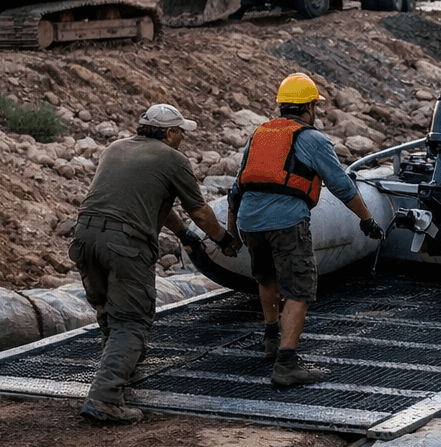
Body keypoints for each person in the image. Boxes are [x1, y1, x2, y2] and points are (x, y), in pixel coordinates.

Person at [70, 103, 240, 424]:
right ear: (170, 133)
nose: (183, 139)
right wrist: (224, 239)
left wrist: (184, 234)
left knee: (107, 308)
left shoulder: (116, 148)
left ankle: (123, 363)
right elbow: (200, 210)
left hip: (85, 237)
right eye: (181, 132)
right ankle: (105, 398)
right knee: (132, 320)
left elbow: (154, 201)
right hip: (125, 244)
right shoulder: (173, 159)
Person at [227, 73, 384, 387]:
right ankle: (286, 364)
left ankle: (271, 338)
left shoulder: (260, 133)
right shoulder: (312, 139)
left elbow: (236, 188)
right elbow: (342, 186)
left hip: (249, 221)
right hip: (286, 223)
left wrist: (231, 232)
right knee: (299, 289)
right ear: (309, 107)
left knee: (266, 278)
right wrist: (366, 220)